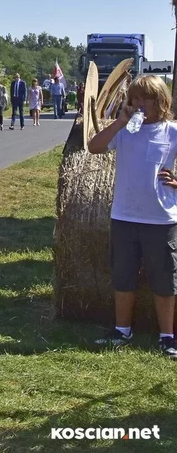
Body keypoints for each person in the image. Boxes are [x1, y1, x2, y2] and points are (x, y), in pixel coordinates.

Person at [87, 75, 177, 359]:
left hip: (161, 219)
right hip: (124, 216)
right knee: (123, 276)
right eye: (134, 97)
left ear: (160, 101)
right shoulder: (125, 130)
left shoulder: (172, 131)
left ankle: (167, 336)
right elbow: (94, 147)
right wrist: (119, 122)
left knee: (164, 280)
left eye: (145, 98)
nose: (139, 103)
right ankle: (122, 330)